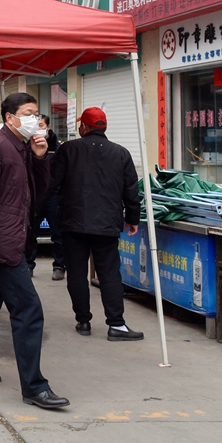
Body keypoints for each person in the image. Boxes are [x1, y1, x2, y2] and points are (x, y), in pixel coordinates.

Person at [0, 93, 69, 410]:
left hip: (12, 239)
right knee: (29, 313)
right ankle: (34, 387)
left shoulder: (21, 146)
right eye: (28, 113)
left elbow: (38, 190)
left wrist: (40, 156)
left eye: (37, 113)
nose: (35, 119)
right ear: (10, 117)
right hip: (2, 247)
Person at [50, 107, 143, 341]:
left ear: (84, 127)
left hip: (73, 222)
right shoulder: (121, 153)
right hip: (107, 223)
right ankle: (116, 324)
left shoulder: (68, 150)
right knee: (109, 273)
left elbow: (51, 183)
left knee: (77, 273)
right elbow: (131, 191)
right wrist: (133, 219)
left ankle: (83, 321)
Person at [27, 115, 66, 280]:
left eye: (41, 125)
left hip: (53, 197)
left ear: (48, 127)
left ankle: (59, 266)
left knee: (58, 234)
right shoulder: (28, 146)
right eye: (36, 126)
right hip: (34, 196)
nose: (38, 129)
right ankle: (28, 265)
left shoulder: (58, 148)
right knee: (30, 234)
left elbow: (59, 175)